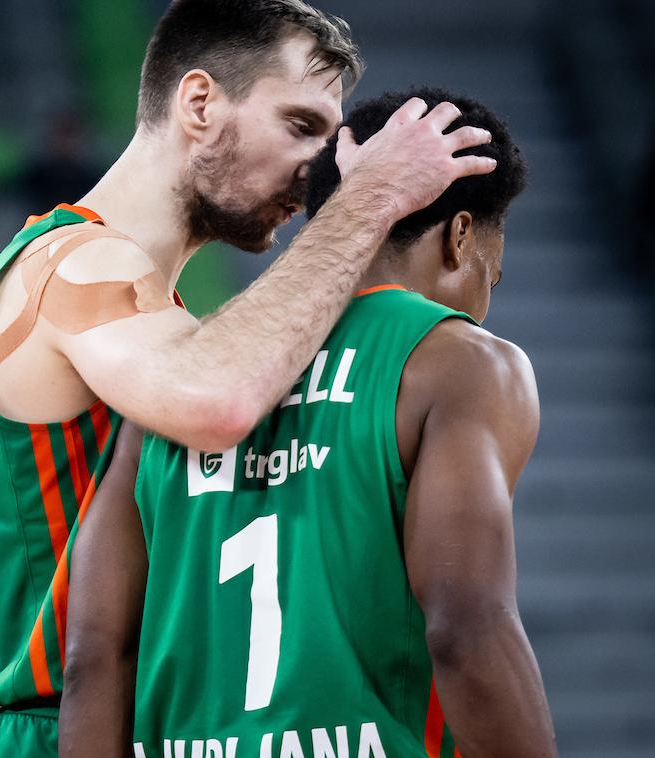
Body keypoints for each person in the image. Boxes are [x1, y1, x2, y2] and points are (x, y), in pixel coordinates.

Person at [0, 0, 499, 753]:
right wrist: (373, 198)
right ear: (200, 103)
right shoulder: (74, 265)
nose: (318, 170)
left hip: (120, 719)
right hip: (55, 727)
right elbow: (218, 401)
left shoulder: (149, 313)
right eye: (301, 126)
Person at [59, 87, 557, 758]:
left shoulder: (179, 373)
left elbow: (92, 656)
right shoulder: (462, 363)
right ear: (460, 235)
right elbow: (466, 629)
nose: (484, 301)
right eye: (491, 275)